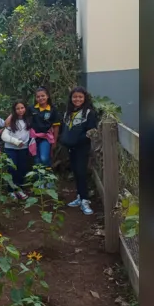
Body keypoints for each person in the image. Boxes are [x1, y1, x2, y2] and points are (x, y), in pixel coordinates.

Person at [59, 86, 98, 215]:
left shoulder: (89, 113)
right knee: (76, 172)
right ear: (71, 98)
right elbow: (65, 130)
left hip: (82, 148)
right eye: (75, 97)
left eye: (80, 97)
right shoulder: (68, 113)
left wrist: (76, 141)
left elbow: (90, 131)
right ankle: (80, 197)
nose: (77, 99)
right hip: (71, 148)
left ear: (85, 98)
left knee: (81, 172)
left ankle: (85, 200)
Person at [1, 102, 32, 200]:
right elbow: (4, 136)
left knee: (22, 169)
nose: (20, 110)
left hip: (24, 149)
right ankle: (11, 190)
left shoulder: (29, 120)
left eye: (22, 107)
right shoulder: (11, 121)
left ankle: (19, 189)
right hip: (11, 149)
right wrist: (16, 142)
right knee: (12, 168)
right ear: (14, 110)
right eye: (17, 108)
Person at [29, 87, 60, 170]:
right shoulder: (32, 108)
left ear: (47, 96)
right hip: (34, 138)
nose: (40, 98)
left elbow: (56, 126)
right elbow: (20, 113)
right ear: (35, 98)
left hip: (46, 138)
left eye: (43, 96)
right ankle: (40, 181)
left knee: (44, 158)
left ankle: (48, 179)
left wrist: (55, 141)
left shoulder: (52, 110)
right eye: (38, 97)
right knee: (36, 160)